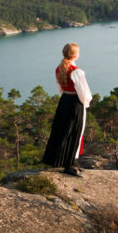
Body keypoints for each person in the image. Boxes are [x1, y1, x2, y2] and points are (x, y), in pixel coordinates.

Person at [42, 42, 91, 176]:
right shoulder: (77, 71)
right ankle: (69, 164)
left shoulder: (59, 68)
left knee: (63, 131)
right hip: (76, 102)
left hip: (64, 101)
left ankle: (70, 161)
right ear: (75, 55)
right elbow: (84, 93)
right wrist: (85, 104)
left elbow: (60, 88)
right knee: (75, 132)